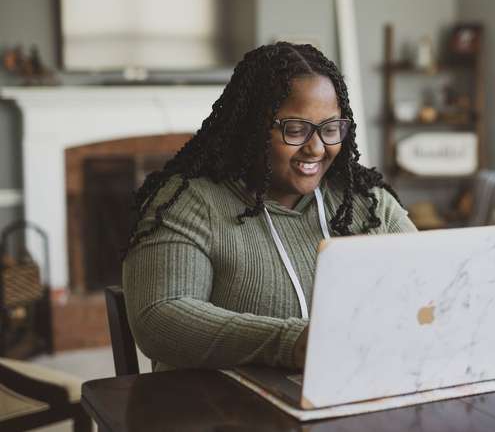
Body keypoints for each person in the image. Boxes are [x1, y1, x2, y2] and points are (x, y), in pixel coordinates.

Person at [122, 42, 417, 372]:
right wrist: (290, 343)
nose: (316, 148)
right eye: (295, 129)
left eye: (331, 128)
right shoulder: (189, 201)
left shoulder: (366, 201)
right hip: (217, 411)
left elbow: (431, 287)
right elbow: (160, 317)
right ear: (252, 128)